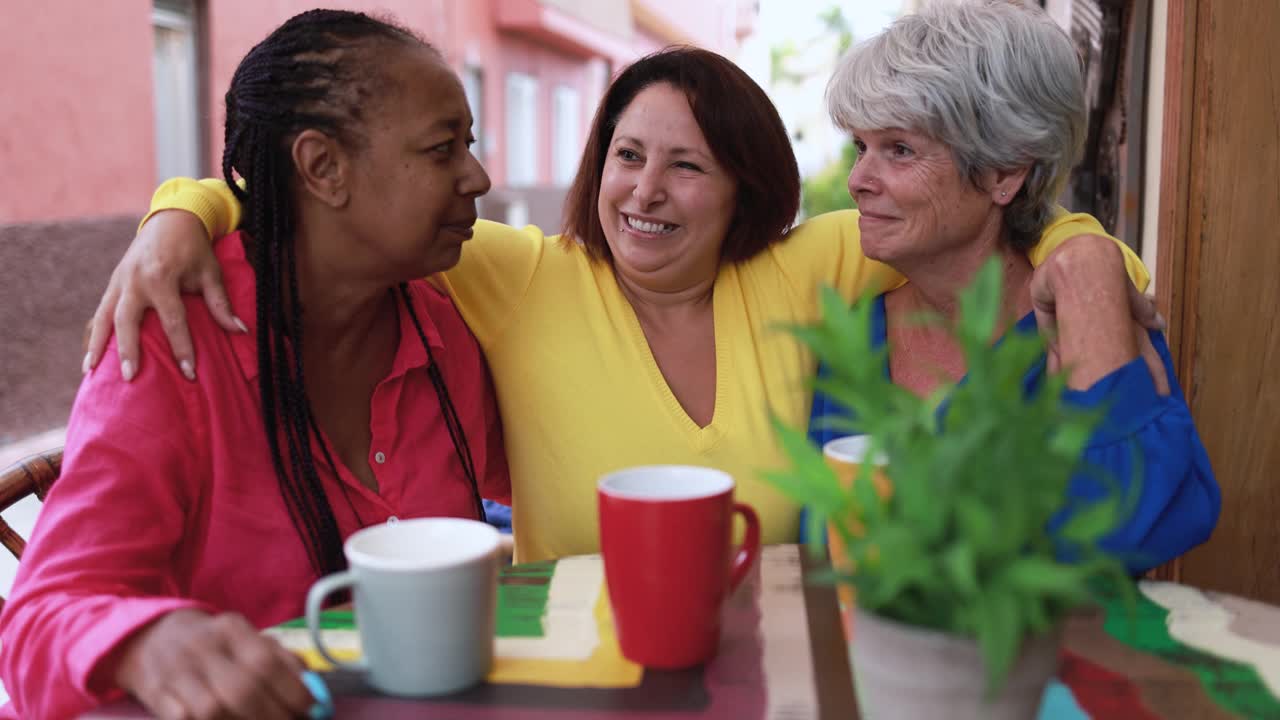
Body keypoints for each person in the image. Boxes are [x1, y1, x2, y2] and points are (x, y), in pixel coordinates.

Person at [84, 47, 1154, 563]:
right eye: (625, 156)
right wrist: (175, 216)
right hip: (574, 688)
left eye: (685, 167)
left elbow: (991, 226)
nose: (642, 192)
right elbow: (304, 197)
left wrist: (1082, 247)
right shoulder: (520, 273)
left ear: (743, 185)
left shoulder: (806, 268)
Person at [0, 11, 509, 719]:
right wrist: (148, 644)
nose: (477, 176)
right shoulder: (176, 338)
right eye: (441, 149)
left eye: (469, 145)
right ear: (323, 168)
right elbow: (36, 625)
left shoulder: (440, 328)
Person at [806, 0, 1219, 572]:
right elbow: (822, 537)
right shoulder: (852, 335)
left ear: (1004, 174)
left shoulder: (1090, 317)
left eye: (899, 150)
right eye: (861, 148)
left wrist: (1091, 281)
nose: (856, 181)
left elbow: (1135, 525)